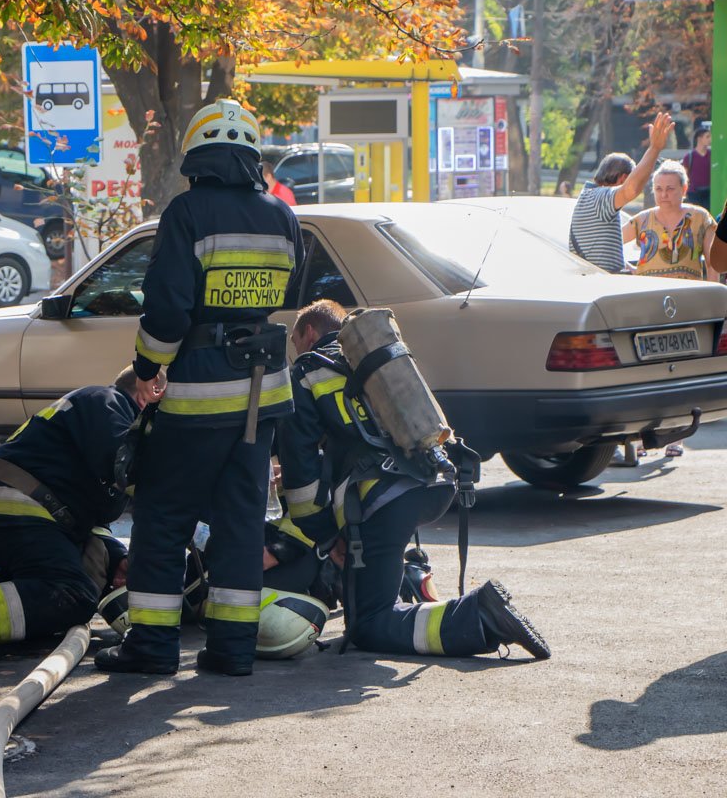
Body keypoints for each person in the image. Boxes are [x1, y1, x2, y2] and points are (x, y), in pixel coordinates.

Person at [95, 99, 303, 678]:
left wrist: (146, 370)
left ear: (196, 156)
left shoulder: (187, 212)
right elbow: (286, 294)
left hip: (197, 398)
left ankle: (152, 647)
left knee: (164, 518)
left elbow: (167, 309)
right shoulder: (282, 215)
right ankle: (233, 649)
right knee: (240, 522)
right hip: (261, 396)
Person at [274, 299, 550, 660]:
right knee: (375, 597)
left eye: (295, 342)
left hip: (383, 499)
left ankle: (480, 614)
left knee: (368, 624)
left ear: (309, 333)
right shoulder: (378, 361)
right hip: (435, 481)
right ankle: (464, 609)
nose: (295, 351)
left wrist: (325, 534)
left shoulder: (308, 371)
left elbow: (301, 471)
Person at [0, 367, 163, 655]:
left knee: (55, 581)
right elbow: (130, 469)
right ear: (148, 396)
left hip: (14, 509)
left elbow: (94, 514)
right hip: (21, 508)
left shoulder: (99, 410)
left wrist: (115, 558)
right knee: (75, 593)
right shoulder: (108, 402)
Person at [620, 160, 719, 459]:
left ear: (684, 189)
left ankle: (676, 436)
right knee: (646, 372)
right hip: (647, 306)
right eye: (659, 189)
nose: (664, 194)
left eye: (671, 189)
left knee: (681, 371)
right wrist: (625, 272)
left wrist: (712, 296)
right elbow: (611, 244)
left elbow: (713, 261)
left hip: (686, 304)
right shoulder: (642, 220)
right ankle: (643, 436)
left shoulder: (700, 218)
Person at [569, 111, 674, 275]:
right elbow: (631, 189)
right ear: (624, 178)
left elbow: (601, 253)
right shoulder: (601, 198)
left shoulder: (590, 197)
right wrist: (654, 148)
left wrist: (632, 270)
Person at [681, 127, 712, 212]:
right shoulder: (689, 157)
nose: (710, 139)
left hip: (709, 192)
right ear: (699, 138)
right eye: (707, 137)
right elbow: (684, 175)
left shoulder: (712, 155)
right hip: (694, 193)